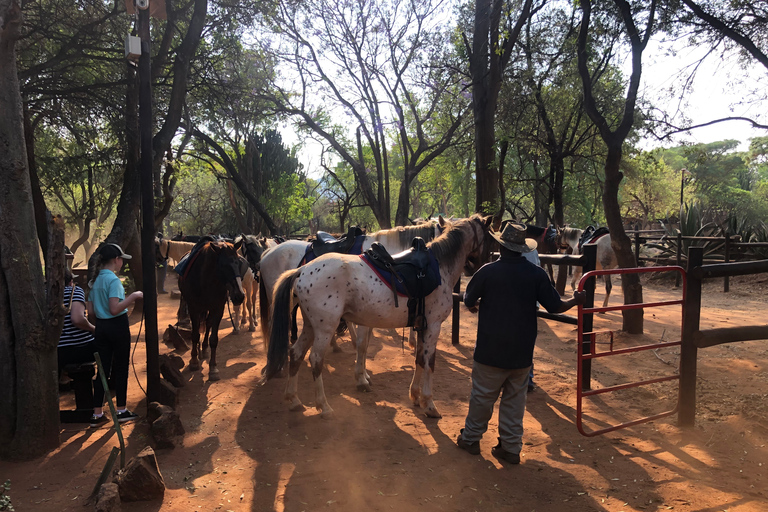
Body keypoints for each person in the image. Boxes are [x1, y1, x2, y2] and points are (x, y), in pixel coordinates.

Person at [457, 222, 585, 464]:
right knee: (515, 401)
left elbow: (469, 299)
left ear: (500, 245)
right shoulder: (536, 274)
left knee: (483, 397)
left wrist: (475, 306)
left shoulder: (486, 271)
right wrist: (575, 300)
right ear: (523, 248)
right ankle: (511, 447)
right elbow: (556, 307)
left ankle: (471, 439)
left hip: (489, 351)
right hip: (522, 352)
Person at [88, 243, 143, 428]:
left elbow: (91, 312)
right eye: (121, 260)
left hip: (101, 327)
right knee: (120, 368)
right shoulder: (113, 281)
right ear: (115, 260)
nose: (122, 264)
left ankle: (97, 413)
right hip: (117, 326)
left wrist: (100, 323)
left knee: (102, 370)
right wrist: (133, 296)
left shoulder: (94, 281)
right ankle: (120, 410)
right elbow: (114, 309)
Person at [58, 268, 96, 382]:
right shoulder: (74, 291)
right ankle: (108, 381)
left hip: (56, 351)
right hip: (79, 349)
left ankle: (64, 377)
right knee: (109, 343)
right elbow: (77, 319)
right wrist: (94, 329)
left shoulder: (44, 293)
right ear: (71, 281)